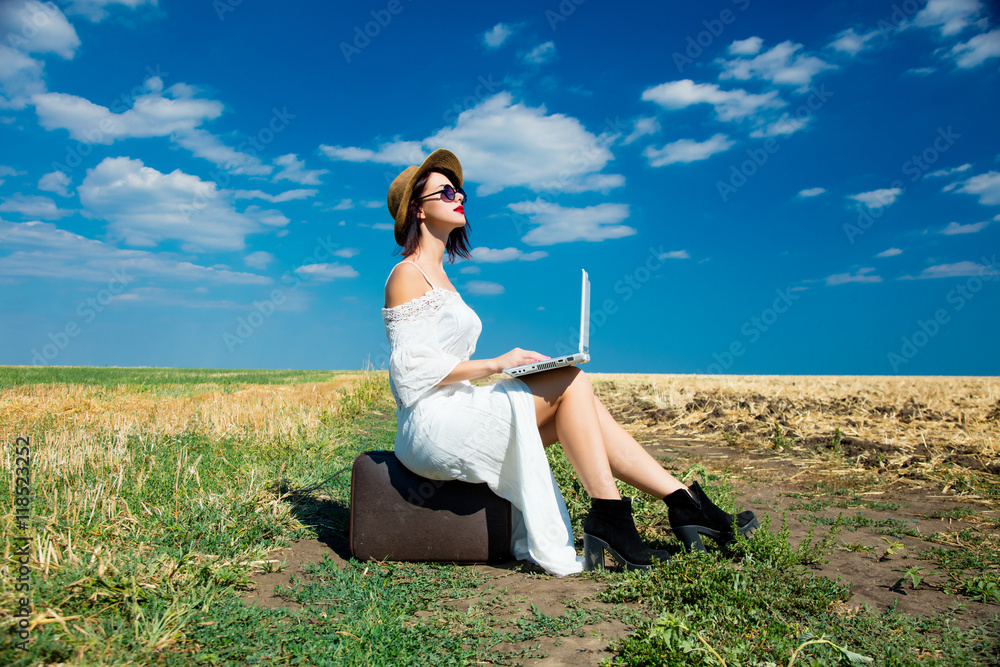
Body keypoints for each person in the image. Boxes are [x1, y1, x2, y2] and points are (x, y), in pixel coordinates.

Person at [381, 149, 757, 576]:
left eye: (460, 189)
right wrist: (498, 364)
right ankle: (614, 518)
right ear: (419, 210)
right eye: (445, 191)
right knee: (571, 381)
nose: (459, 196)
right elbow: (409, 375)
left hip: (456, 410)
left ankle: (681, 503)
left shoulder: (443, 277)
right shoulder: (407, 275)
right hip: (431, 426)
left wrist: (511, 368)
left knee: (581, 403)